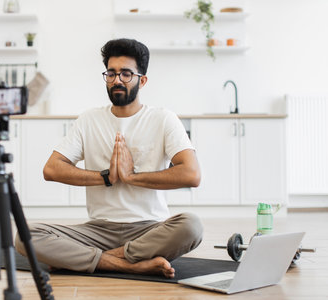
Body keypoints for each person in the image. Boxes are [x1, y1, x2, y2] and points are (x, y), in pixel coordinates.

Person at [15, 38, 203, 278]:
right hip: (98, 230)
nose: (117, 80)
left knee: (192, 226)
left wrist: (131, 177)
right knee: (25, 236)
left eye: (126, 74)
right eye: (111, 74)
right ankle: (130, 264)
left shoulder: (163, 119)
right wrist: (107, 177)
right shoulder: (89, 119)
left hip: (150, 230)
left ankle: (93, 259)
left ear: (141, 80)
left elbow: (191, 174)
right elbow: (51, 169)